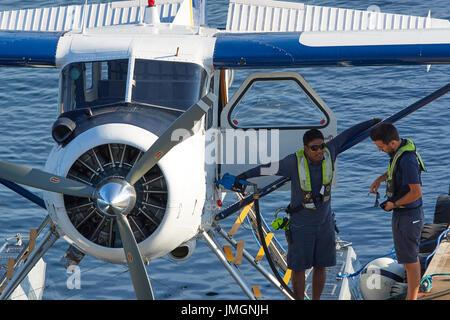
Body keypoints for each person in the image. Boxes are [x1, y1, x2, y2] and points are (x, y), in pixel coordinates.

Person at [231, 118, 381, 300]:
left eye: (321, 146)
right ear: (305, 149)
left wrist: (372, 122)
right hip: (301, 227)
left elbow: (348, 135)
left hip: (325, 224)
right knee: (298, 268)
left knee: (321, 266)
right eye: (314, 148)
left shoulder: (330, 151)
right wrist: (242, 177)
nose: (319, 151)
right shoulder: (292, 162)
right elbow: (267, 168)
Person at [369, 123, 426, 300]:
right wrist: (380, 178)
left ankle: (412, 297)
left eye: (381, 147)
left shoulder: (408, 159)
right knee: (406, 258)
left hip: (409, 216)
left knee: (410, 260)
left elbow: (416, 192)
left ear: (392, 143)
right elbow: (395, 171)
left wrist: (394, 204)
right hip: (402, 214)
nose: (380, 150)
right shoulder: (398, 153)